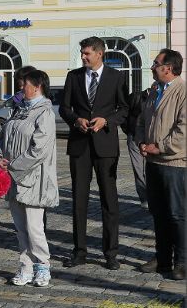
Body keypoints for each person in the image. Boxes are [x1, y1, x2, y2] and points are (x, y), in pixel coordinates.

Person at [59, 36, 128, 270]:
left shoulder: (116, 77)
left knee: (109, 200)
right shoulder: (74, 76)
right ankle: (79, 252)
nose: (83, 56)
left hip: (105, 146)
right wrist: (75, 120)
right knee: (79, 200)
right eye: (82, 52)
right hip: (80, 145)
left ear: (99, 53)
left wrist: (106, 121)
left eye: (87, 53)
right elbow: (64, 108)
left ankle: (111, 253)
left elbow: (125, 109)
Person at [0, 69, 58, 287]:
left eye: (25, 85)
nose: (21, 89)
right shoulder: (19, 110)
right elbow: (3, 137)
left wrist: (13, 166)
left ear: (37, 86)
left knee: (34, 227)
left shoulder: (44, 112)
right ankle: (25, 265)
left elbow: (39, 149)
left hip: (33, 179)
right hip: (13, 178)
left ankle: (43, 266)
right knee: (20, 227)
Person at [135, 48, 185, 280]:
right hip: (153, 162)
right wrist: (142, 141)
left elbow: (183, 131)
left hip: (175, 164)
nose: (152, 66)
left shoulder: (182, 91)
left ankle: (182, 262)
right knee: (159, 213)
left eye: (156, 63)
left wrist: (160, 146)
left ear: (169, 68)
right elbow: (142, 119)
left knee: (177, 214)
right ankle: (162, 258)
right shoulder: (155, 89)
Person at [121, 83, 157, 209]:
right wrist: (129, 132)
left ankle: (153, 196)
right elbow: (124, 115)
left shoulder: (161, 98)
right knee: (138, 170)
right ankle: (144, 197)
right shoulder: (135, 97)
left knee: (151, 169)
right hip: (134, 138)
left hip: (152, 141)